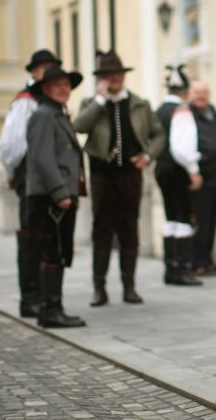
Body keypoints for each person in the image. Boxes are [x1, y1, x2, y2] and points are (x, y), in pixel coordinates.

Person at [74, 50, 165, 307]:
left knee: (129, 229)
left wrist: (147, 156)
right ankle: (99, 288)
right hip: (102, 175)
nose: (113, 78)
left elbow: (159, 135)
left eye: (117, 74)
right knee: (101, 231)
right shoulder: (91, 104)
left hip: (130, 175)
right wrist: (100, 100)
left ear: (123, 76)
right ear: (101, 79)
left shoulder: (139, 104)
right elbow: (79, 127)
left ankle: (129, 286)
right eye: (107, 75)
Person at [0, 48, 62, 318]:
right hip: (31, 173)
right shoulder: (27, 101)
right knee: (31, 235)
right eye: (43, 69)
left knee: (44, 235)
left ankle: (42, 295)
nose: (47, 73)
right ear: (34, 72)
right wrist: (13, 174)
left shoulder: (48, 100)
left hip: (44, 173)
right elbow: (11, 144)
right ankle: (30, 296)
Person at [25, 64, 86, 329]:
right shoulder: (44, 115)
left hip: (58, 196)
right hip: (50, 198)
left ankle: (52, 307)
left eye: (66, 85)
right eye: (57, 85)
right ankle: (50, 309)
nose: (63, 89)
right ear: (46, 89)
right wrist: (60, 192)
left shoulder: (57, 114)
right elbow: (42, 157)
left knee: (58, 252)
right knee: (52, 252)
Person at [170, 80, 216, 276]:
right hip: (200, 177)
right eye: (196, 92)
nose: (200, 95)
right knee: (200, 221)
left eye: (204, 92)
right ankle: (197, 262)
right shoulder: (187, 114)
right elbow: (181, 146)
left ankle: (207, 261)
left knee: (212, 221)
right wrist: (194, 170)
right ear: (189, 94)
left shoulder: (215, 115)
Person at [154, 64, 202, 287]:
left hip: (161, 168)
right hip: (178, 169)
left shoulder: (159, 111)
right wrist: (193, 170)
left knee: (170, 217)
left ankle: (170, 268)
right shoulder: (181, 110)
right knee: (184, 216)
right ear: (184, 90)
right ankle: (182, 269)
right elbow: (181, 148)